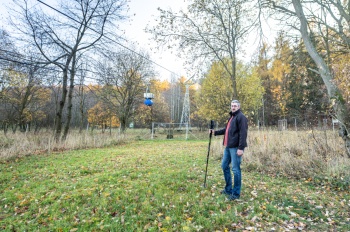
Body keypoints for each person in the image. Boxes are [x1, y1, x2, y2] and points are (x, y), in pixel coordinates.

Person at [209, 100, 248, 200]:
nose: (233, 107)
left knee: (235, 169)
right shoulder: (232, 117)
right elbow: (226, 131)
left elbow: (243, 134)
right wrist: (215, 132)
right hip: (228, 147)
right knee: (224, 165)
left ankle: (236, 193)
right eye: (232, 106)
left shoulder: (241, 117)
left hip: (235, 148)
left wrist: (241, 148)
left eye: (235, 106)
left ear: (239, 107)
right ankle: (228, 189)